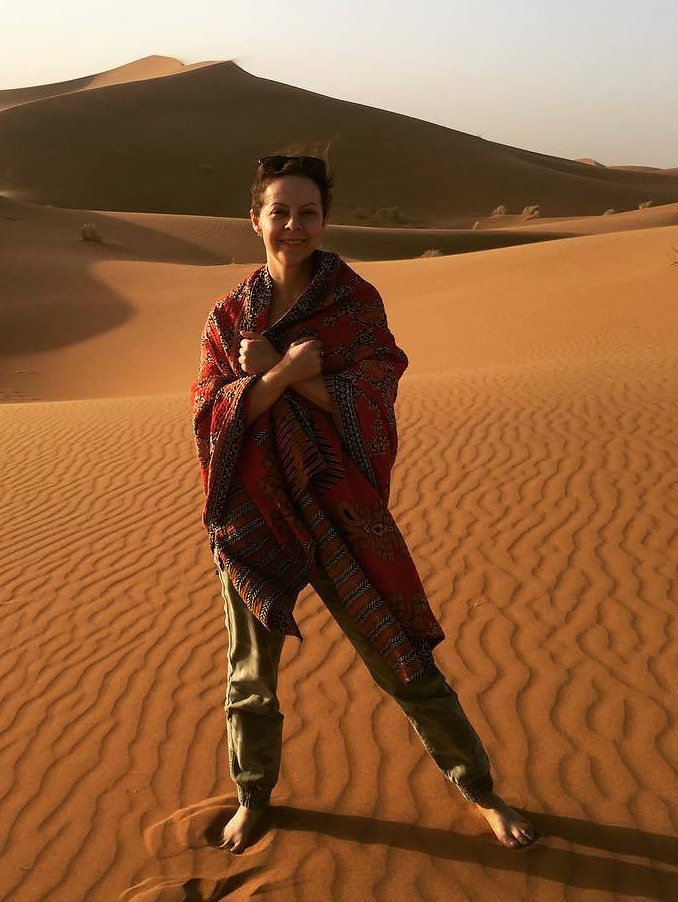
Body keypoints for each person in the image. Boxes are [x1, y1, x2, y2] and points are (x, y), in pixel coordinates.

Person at [190, 154, 536, 854]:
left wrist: (282, 375)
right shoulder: (227, 317)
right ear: (254, 220)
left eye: (308, 213)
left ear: (325, 221)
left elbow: (374, 401)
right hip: (255, 514)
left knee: (401, 656)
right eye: (280, 212)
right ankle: (252, 797)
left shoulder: (354, 303)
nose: (293, 226)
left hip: (342, 508)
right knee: (250, 678)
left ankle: (480, 791)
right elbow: (212, 418)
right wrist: (285, 373)